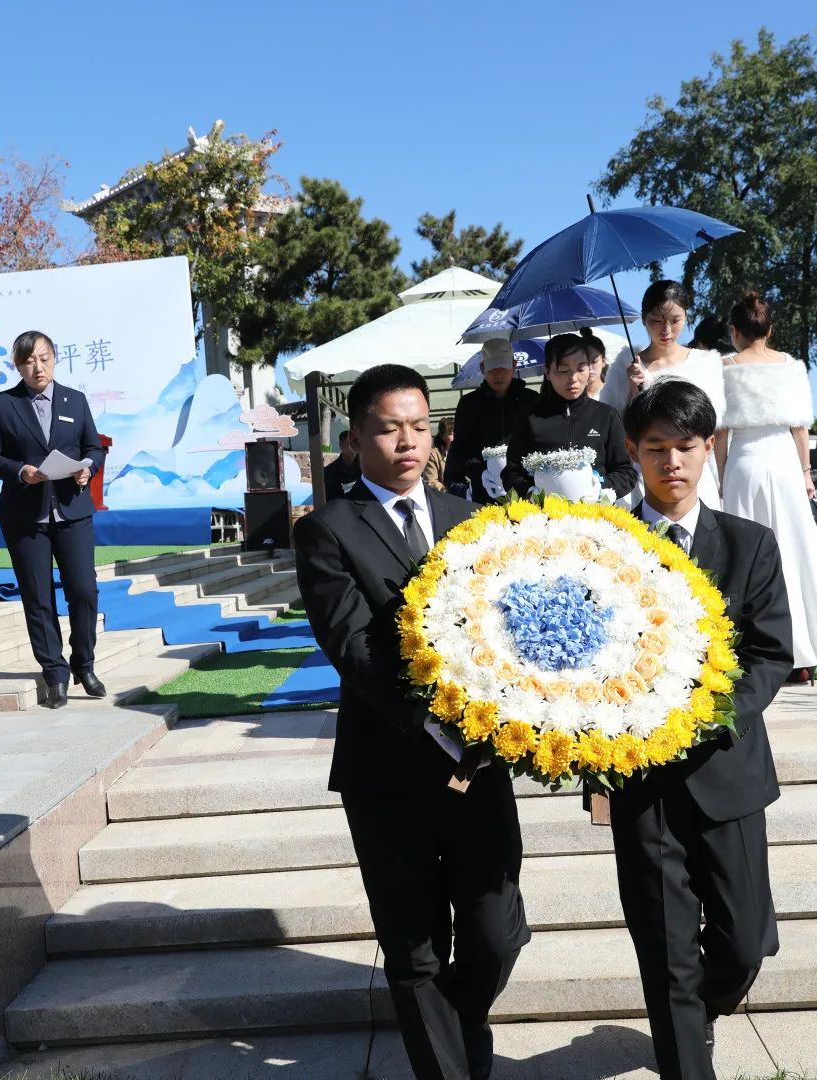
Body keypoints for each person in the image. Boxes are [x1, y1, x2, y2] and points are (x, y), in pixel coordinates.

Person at [294, 364, 530, 1080]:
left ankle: (459, 1029)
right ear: (357, 435)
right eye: (389, 427)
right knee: (414, 948)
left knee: (496, 935)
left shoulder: (471, 521)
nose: (406, 442)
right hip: (388, 769)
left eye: (419, 427)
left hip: (480, 770)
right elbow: (355, 648)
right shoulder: (328, 531)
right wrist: (439, 726)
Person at [612, 379, 793, 1080]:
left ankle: (701, 1014)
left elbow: (771, 652)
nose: (672, 462)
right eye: (655, 448)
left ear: (707, 448)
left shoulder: (749, 545)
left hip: (729, 773)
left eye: (685, 446)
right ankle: (687, 1056)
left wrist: (715, 718)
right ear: (633, 452)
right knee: (665, 953)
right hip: (640, 781)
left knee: (744, 944)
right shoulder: (602, 549)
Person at [718, 290, 817, 681]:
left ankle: (749, 648)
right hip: (785, 464)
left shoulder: (724, 367)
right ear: (769, 329)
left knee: (745, 557)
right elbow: (800, 427)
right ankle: (803, 653)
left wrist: (721, 478)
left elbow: (721, 433)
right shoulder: (791, 366)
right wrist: (806, 471)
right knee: (795, 551)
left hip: (744, 464)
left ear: (734, 331)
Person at [0, 331, 106, 709]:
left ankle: (84, 662)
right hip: (24, 517)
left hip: (73, 511)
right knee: (38, 597)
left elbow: (93, 447)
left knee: (84, 590)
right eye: (30, 360)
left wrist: (88, 469)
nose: (39, 367)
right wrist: (20, 471)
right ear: (18, 365)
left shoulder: (75, 400)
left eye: (45, 358)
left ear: (54, 359)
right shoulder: (4, 404)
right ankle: (55, 673)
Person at [601, 280, 726, 507]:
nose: (666, 330)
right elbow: (615, 423)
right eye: (656, 321)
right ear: (643, 319)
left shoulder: (705, 363)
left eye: (675, 320)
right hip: (644, 469)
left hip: (691, 468)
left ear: (687, 316)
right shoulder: (626, 362)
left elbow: (712, 421)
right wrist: (632, 388)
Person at [502, 333, 637, 500]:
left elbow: (626, 471)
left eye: (581, 369)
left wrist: (600, 491)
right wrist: (532, 494)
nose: (573, 379)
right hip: (542, 518)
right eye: (563, 370)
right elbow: (511, 472)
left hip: (596, 517)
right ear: (548, 372)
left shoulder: (606, 415)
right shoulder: (530, 417)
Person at [445, 338, 539, 503]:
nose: (498, 374)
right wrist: (479, 473)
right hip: (484, 492)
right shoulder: (469, 404)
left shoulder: (531, 400)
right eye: (492, 369)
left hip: (526, 488)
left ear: (514, 365)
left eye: (503, 367)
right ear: (482, 368)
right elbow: (459, 450)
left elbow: (540, 443)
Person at [323, 429, 361, 500]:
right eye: (349, 443)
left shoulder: (366, 469)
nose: (353, 445)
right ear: (341, 445)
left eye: (355, 441)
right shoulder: (329, 472)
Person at [423, 416, 455, 490]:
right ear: (442, 436)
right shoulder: (433, 455)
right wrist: (449, 493)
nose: (455, 437)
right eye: (451, 434)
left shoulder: (463, 452)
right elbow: (430, 481)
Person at [579, 329, 609, 399]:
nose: (589, 367)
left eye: (594, 361)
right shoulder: (571, 397)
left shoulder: (615, 392)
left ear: (603, 361)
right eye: (584, 362)